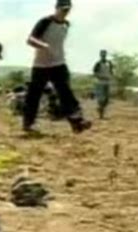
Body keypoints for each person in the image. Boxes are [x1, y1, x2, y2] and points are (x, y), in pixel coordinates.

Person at [24, 0, 91, 134]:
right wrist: (43, 46)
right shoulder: (45, 22)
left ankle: (77, 122)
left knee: (65, 93)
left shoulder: (66, 25)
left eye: (67, 10)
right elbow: (30, 40)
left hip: (59, 64)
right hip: (41, 65)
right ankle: (28, 124)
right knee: (34, 95)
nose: (65, 13)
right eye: (63, 9)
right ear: (56, 8)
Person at [92, 49, 114, 119]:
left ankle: (100, 109)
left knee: (107, 99)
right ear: (100, 55)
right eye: (102, 54)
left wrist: (111, 77)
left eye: (104, 54)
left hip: (107, 81)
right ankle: (101, 115)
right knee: (101, 99)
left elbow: (111, 71)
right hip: (100, 82)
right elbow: (95, 73)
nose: (103, 55)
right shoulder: (98, 63)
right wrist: (100, 76)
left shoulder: (109, 63)